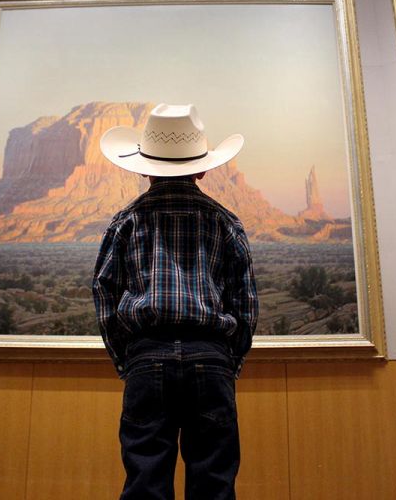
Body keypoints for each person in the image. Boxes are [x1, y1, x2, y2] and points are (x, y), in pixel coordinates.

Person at [93, 103, 258, 500]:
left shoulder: (126, 220)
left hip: (147, 359)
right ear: (203, 167)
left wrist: (128, 357)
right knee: (214, 482)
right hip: (211, 356)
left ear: (145, 168)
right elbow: (245, 301)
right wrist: (227, 361)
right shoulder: (225, 220)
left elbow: (104, 292)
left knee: (145, 482)